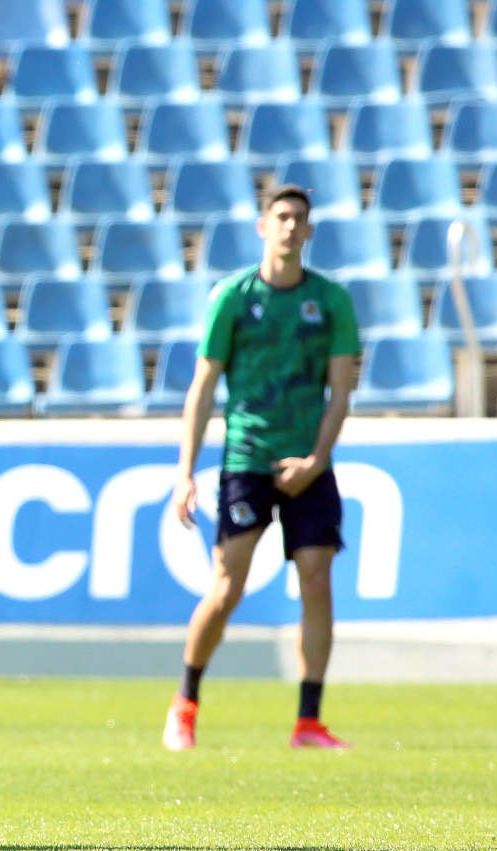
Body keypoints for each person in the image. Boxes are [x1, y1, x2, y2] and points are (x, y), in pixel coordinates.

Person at [163, 184, 362, 752]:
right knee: (227, 588)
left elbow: (340, 392)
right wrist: (185, 472)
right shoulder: (233, 296)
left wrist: (317, 460)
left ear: (311, 230)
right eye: (281, 216)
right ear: (262, 226)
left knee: (317, 580)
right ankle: (185, 701)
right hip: (247, 458)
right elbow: (202, 389)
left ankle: (308, 721)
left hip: (309, 461)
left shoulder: (330, 301)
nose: (291, 226)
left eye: (300, 218)